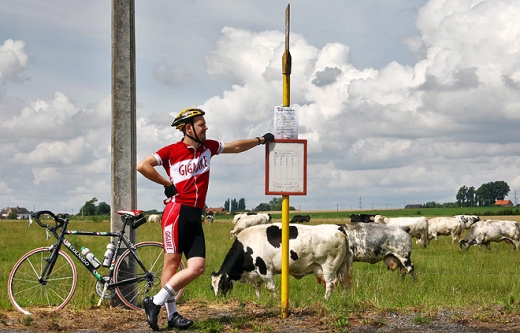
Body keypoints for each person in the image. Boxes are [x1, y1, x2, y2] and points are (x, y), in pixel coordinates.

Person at [136, 107, 273, 331]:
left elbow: (235, 146)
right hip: (176, 211)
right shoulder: (172, 151)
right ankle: (172, 315)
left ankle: (155, 301)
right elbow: (143, 165)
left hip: (195, 214)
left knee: (198, 267)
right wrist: (167, 184)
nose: (206, 127)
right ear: (189, 128)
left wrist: (260, 140)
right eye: (202, 124)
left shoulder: (208, 148)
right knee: (171, 263)